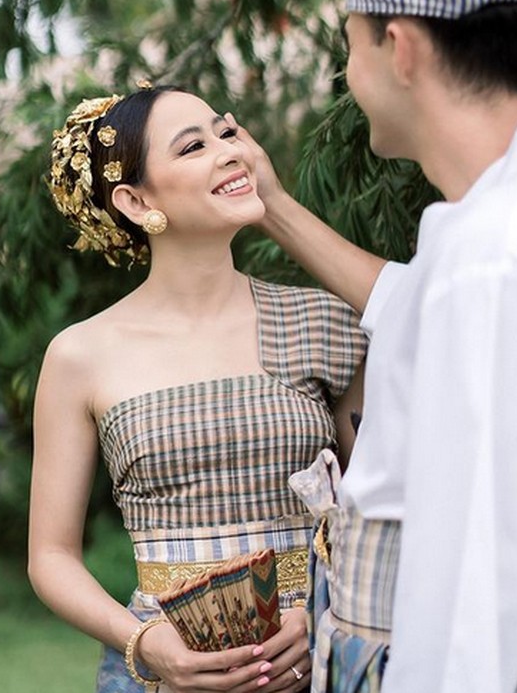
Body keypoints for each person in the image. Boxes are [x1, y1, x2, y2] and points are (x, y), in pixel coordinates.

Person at [231, 0, 517, 693]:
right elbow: (410, 306)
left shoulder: (494, 260)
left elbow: (470, 590)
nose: (348, 75)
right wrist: (274, 204)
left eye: (349, 45)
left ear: (399, 48)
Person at [27, 84, 367, 693]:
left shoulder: (325, 322)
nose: (228, 152)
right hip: (163, 677)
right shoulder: (80, 355)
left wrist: (317, 614)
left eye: (226, 133)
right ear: (135, 200)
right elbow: (50, 558)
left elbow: (375, 512)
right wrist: (146, 642)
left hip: (316, 665)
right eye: (192, 147)